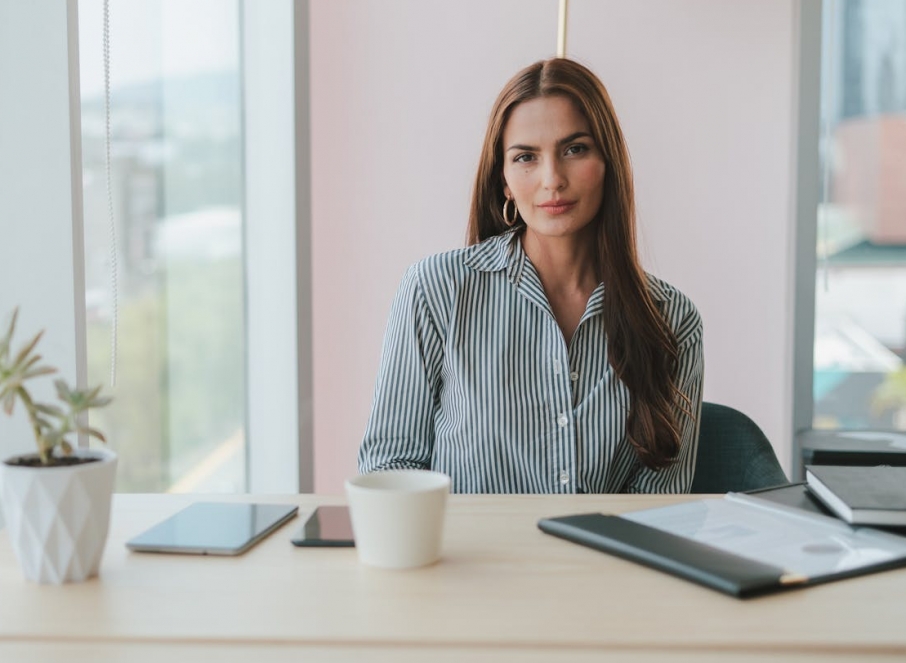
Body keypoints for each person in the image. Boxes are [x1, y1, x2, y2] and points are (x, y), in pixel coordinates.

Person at [358, 58, 703, 493]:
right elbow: (389, 468)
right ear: (503, 180)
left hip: (605, 563)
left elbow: (660, 504)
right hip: (468, 560)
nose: (552, 179)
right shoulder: (435, 290)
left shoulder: (673, 320)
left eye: (575, 149)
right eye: (525, 157)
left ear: (608, 162)